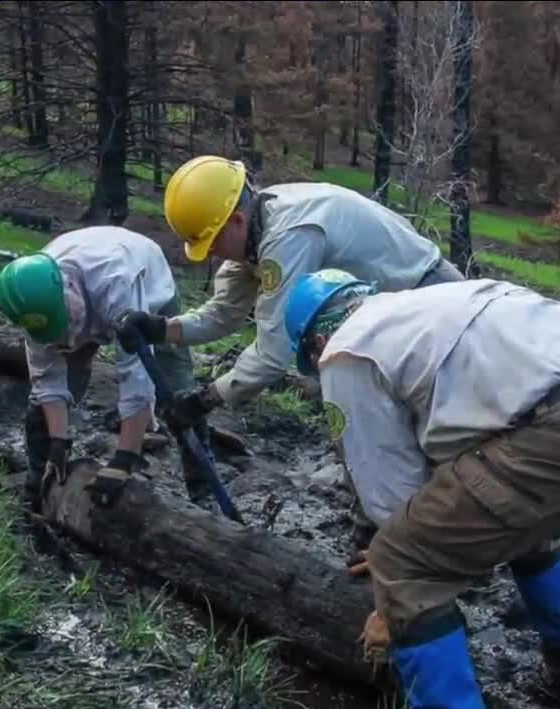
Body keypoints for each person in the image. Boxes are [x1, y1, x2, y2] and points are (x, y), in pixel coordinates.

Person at [282, 269, 560, 709]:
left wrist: (391, 602)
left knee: (404, 557)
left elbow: (391, 499)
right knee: (513, 521)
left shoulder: (345, 353)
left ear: (313, 344)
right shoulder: (409, 312)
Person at [114, 155, 467, 542]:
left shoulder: (289, 236)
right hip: (381, 320)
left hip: (430, 300)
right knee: (362, 417)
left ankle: (428, 546)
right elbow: (224, 314)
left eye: (212, 243)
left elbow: (273, 353)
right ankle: (383, 528)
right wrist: (162, 329)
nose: (213, 254)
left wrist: (204, 399)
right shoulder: (254, 230)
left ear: (235, 220)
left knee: (424, 433)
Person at [0, 226, 221, 527]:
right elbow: (47, 379)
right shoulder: (30, 300)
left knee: (178, 393)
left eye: (68, 329)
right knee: (51, 396)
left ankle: (204, 492)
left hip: (144, 274)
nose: (66, 341)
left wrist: (124, 458)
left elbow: (136, 379)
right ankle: (40, 479)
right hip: (86, 300)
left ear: (68, 291)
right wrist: (58, 442)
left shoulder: (117, 286)